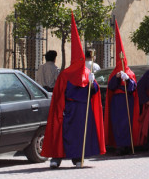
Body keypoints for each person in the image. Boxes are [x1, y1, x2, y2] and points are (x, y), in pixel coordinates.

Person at [42, 13, 105, 168]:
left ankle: (77, 157)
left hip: (83, 110)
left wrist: (92, 83)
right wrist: (62, 109)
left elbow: (94, 92)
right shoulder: (65, 75)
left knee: (79, 135)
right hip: (68, 109)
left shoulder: (87, 73)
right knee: (61, 133)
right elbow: (59, 94)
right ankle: (56, 158)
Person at [104, 22, 139, 155]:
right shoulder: (114, 73)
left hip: (127, 101)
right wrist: (117, 78)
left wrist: (128, 79)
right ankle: (119, 145)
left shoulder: (130, 73)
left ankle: (128, 144)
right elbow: (111, 87)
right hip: (117, 101)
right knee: (117, 123)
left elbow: (133, 88)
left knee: (127, 123)